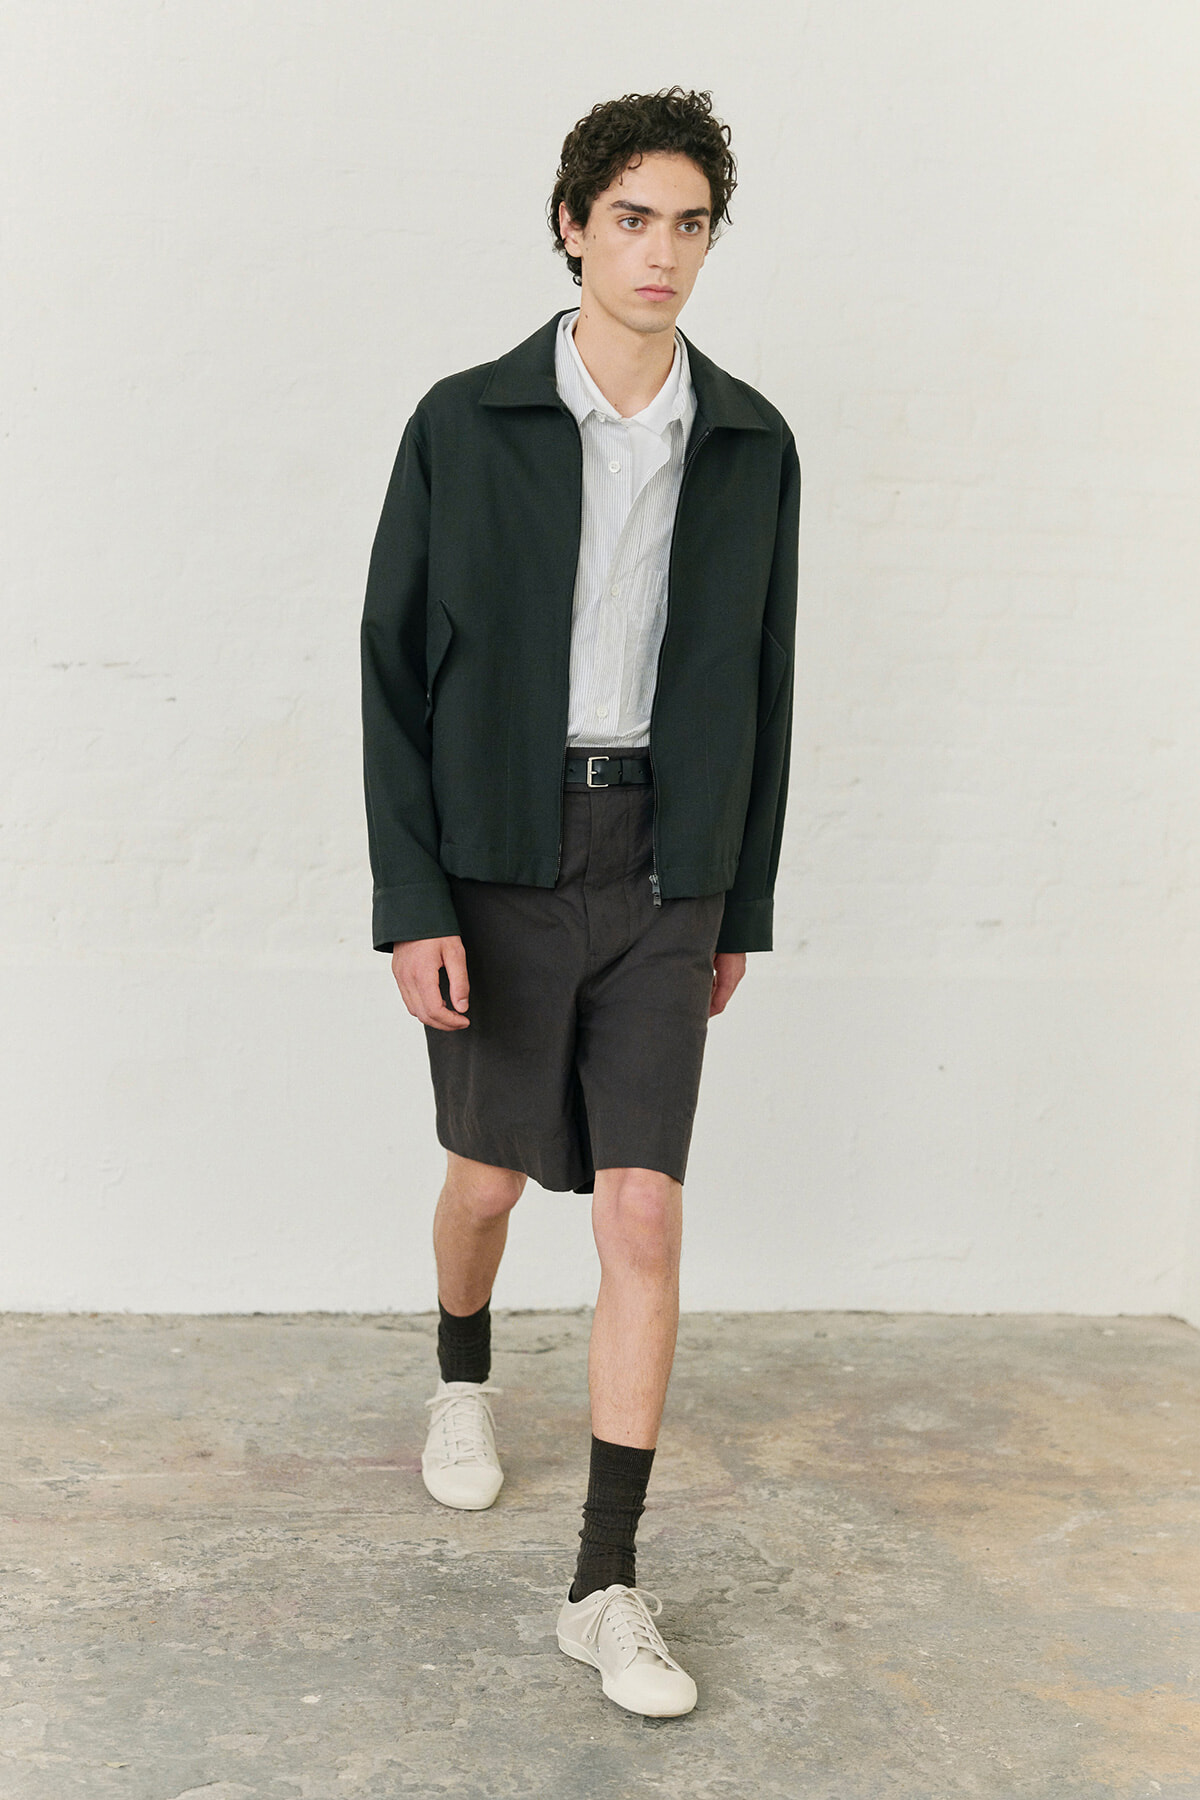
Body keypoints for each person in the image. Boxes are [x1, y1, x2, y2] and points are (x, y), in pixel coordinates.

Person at [360, 86, 799, 1719]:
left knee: (645, 1211)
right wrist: (415, 897)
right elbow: (389, 668)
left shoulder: (752, 441)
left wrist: (737, 901)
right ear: (572, 225)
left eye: (690, 223)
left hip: (665, 858)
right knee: (484, 1176)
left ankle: (606, 1579)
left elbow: (768, 677)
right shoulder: (465, 423)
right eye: (633, 218)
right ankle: (462, 1377)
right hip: (496, 849)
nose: (662, 252)